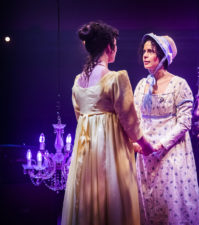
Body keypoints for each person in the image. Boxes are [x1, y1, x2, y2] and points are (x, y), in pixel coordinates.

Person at [61, 21, 152, 225]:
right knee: (112, 200)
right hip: (110, 153)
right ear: (109, 47)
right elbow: (130, 122)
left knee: (87, 201)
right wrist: (145, 145)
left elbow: (81, 118)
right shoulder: (115, 78)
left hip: (85, 153)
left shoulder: (78, 82)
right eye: (115, 45)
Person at [133, 33, 199, 225]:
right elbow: (136, 118)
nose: (145, 55)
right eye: (145, 51)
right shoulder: (142, 85)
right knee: (148, 204)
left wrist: (159, 145)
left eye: (151, 51)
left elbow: (184, 123)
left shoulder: (179, 84)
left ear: (163, 56)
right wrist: (138, 143)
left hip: (171, 151)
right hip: (145, 153)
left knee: (171, 203)